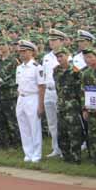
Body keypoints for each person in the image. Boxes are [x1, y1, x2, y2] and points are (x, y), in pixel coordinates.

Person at [16, 40, 45, 163]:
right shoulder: (19, 67)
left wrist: (41, 105)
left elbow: (41, 87)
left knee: (34, 127)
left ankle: (36, 155)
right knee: (23, 127)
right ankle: (28, 153)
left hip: (33, 98)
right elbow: (18, 85)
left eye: (24, 51)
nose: (22, 54)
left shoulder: (37, 67)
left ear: (32, 52)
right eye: (20, 52)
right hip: (21, 98)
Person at [42, 29, 65, 158]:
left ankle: (64, 148)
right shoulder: (46, 57)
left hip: (59, 91)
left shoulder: (66, 56)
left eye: (54, 40)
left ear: (61, 41)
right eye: (50, 40)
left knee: (62, 121)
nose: (51, 42)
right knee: (52, 123)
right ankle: (56, 148)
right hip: (48, 91)